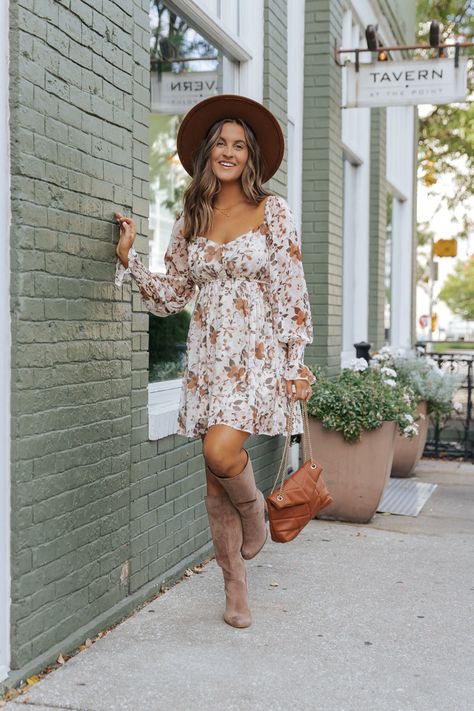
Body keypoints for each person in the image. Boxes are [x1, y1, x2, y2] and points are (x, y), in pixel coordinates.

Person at [114, 94, 316, 629]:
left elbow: (291, 291)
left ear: (251, 157)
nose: (229, 152)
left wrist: (296, 362)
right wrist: (130, 261)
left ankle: (254, 515)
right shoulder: (193, 216)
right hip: (207, 361)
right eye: (221, 143)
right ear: (208, 153)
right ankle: (234, 587)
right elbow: (173, 295)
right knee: (212, 477)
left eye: (240, 145)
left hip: (256, 359)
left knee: (221, 451)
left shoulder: (273, 211)